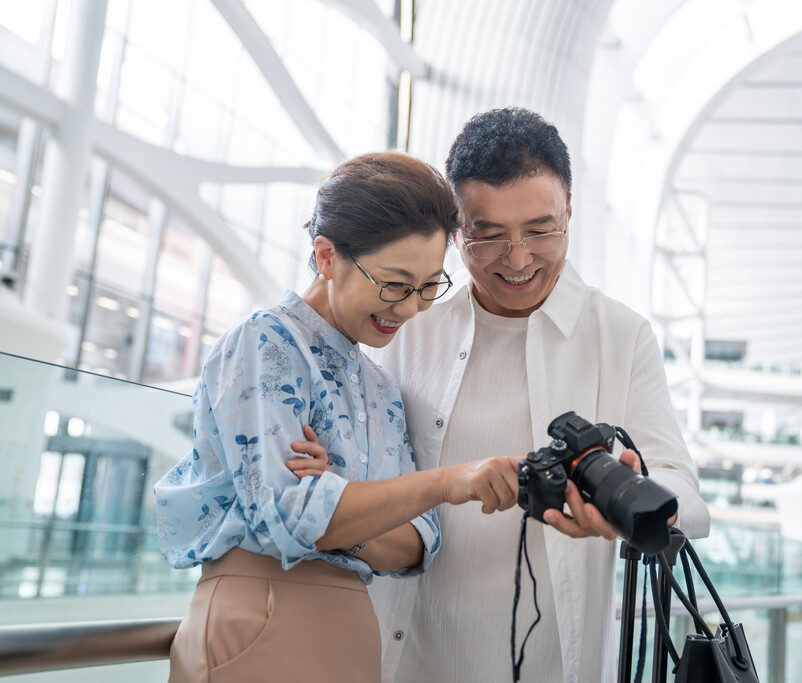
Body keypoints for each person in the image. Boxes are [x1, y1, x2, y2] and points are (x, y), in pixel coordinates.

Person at [366, 108, 711, 683]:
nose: (519, 258)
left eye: (541, 229)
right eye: (489, 235)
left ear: (570, 213)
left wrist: (630, 501)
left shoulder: (620, 336)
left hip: (555, 665)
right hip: (411, 657)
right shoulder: (410, 330)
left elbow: (687, 496)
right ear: (457, 232)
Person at [153, 152, 520, 683]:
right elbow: (289, 515)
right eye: (395, 284)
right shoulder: (264, 343)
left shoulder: (379, 385)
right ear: (326, 257)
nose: (413, 307)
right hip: (261, 613)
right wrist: (437, 484)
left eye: (427, 286)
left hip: (353, 628)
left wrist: (339, 501)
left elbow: (418, 544)